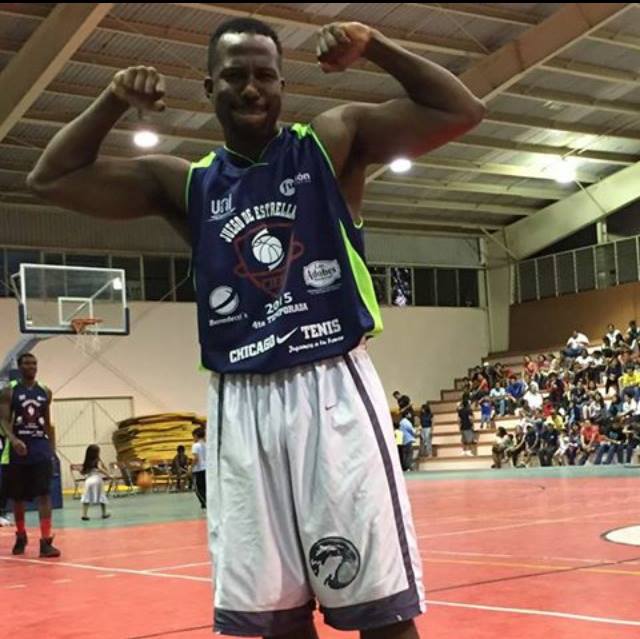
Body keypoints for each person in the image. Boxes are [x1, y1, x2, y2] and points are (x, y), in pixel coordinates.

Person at [26, 15, 485, 638]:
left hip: (331, 385)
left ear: (282, 85)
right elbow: (49, 179)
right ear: (209, 87)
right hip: (240, 401)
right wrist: (111, 99)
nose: (250, 88)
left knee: (380, 611)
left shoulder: (331, 142)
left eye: (265, 75)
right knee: (274, 620)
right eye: (234, 75)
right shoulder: (187, 184)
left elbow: (461, 110)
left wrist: (375, 46)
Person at [0, 353, 60, 557]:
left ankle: (45, 541)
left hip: (39, 447)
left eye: (34, 363)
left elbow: (47, 422)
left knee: (44, 493)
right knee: (18, 497)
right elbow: (3, 420)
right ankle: (21, 534)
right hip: (18, 449)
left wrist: (52, 450)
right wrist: (13, 439)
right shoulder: (9, 391)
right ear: (19, 367)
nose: (31, 366)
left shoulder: (45, 391)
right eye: (27, 363)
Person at [80, 444, 112, 521]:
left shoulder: (86, 461)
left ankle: (84, 514)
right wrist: (109, 475)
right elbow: (100, 468)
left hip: (88, 481)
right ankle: (104, 513)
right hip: (97, 479)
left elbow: (83, 472)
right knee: (101, 496)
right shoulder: (97, 460)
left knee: (86, 497)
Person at [191, 427, 206, 510]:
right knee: (205, 487)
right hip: (206, 469)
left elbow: (196, 458)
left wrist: (191, 468)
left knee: (198, 489)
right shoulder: (206, 444)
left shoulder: (195, 445)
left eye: (193, 437)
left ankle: (204, 503)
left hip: (199, 469)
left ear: (196, 436)